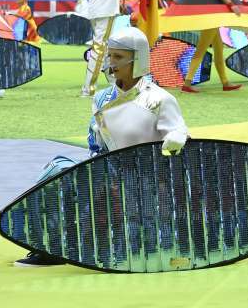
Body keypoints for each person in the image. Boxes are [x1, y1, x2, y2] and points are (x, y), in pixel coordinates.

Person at [14, 26, 189, 267]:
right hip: (109, 173)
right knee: (56, 171)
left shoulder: (160, 99)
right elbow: (95, 144)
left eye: (118, 57)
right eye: (110, 55)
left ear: (137, 59)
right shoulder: (102, 98)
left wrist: (177, 137)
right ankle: (51, 245)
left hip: (146, 179)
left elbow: (179, 132)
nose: (110, 62)